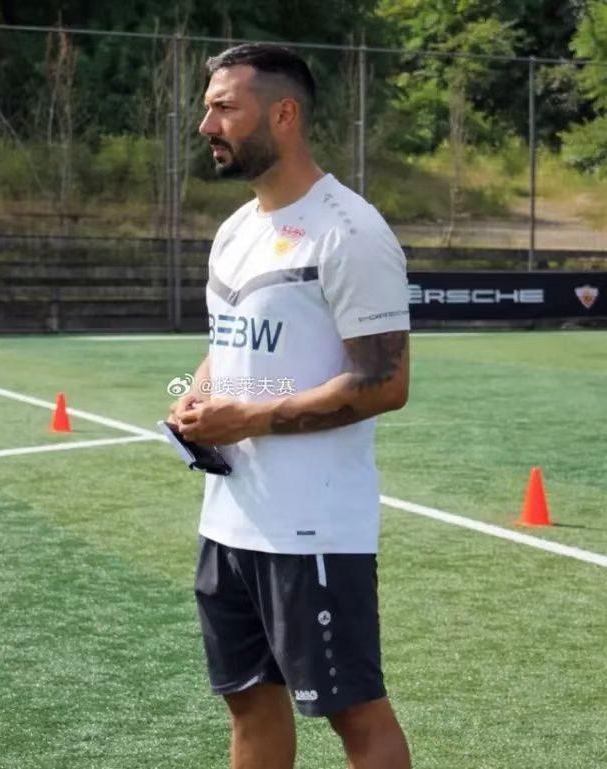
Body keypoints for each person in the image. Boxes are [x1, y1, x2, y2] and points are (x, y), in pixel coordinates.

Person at [166, 43, 412, 769]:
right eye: (207, 108)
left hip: (313, 530)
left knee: (355, 715)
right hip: (229, 519)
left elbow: (384, 382)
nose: (206, 125)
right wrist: (198, 394)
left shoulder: (350, 231)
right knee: (248, 701)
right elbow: (230, 344)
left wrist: (254, 418)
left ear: (283, 114)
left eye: (224, 108)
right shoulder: (236, 230)